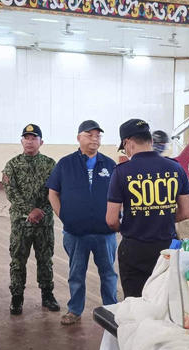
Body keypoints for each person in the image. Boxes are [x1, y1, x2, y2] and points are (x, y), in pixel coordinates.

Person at [106, 119, 189, 298]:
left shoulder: (121, 172)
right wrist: (159, 217)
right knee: (167, 302)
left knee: (136, 303)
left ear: (127, 143)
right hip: (168, 248)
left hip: (135, 248)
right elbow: (185, 212)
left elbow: (111, 219)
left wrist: (131, 224)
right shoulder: (176, 168)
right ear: (150, 141)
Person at [46, 120, 118, 325]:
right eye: (90, 135)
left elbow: (120, 196)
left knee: (108, 274)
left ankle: (111, 309)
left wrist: (116, 218)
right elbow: (53, 193)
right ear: (79, 137)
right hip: (76, 233)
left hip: (105, 233)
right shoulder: (65, 164)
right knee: (76, 273)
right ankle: (74, 310)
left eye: (98, 135)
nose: (94, 139)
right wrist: (64, 216)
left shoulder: (109, 164)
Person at [2, 124, 60, 315]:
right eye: (26, 137)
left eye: (33, 138)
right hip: (20, 223)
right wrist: (30, 210)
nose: (29, 141)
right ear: (21, 141)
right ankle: (16, 298)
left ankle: (47, 295)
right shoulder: (12, 165)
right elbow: (11, 192)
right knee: (18, 261)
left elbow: (54, 192)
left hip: (44, 223)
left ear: (41, 142)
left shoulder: (51, 164)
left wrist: (40, 211)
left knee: (45, 260)